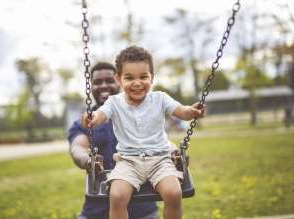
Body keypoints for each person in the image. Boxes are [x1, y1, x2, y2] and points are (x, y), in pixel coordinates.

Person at [82, 46, 206, 219]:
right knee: (117, 196)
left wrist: (192, 112)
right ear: (119, 79)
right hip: (128, 162)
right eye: (129, 77)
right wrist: (92, 117)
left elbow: (181, 112)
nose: (137, 82)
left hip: (160, 159)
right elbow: (100, 115)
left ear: (152, 77)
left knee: (173, 193)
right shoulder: (114, 102)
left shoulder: (160, 98)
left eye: (143, 77)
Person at [68, 62, 159, 219]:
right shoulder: (83, 123)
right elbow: (78, 148)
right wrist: (87, 160)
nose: (103, 86)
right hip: (97, 208)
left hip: (142, 208)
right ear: (91, 86)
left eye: (109, 80)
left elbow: (160, 142)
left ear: (119, 81)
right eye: (97, 82)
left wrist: (174, 153)